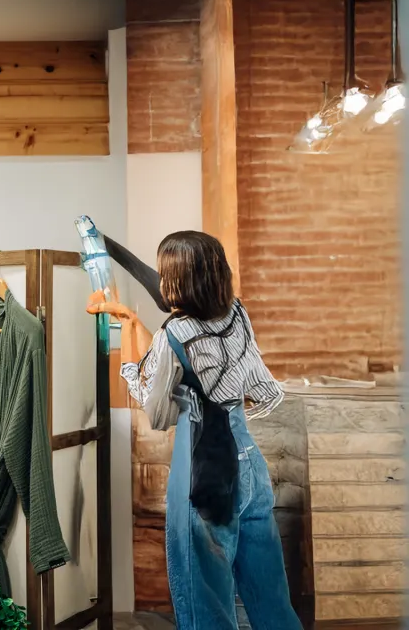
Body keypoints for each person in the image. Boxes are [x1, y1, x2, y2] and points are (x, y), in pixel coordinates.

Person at [87, 231, 302, 630]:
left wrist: (128, 339)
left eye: (168, 274)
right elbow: (236, 380)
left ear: (182, 281)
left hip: (205, 476)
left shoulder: (174, 336)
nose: (163, 282)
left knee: (207, 605)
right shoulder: (237, 313)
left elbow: (156, 410)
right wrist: (135, 321)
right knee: (271, 598)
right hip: (250, 469)